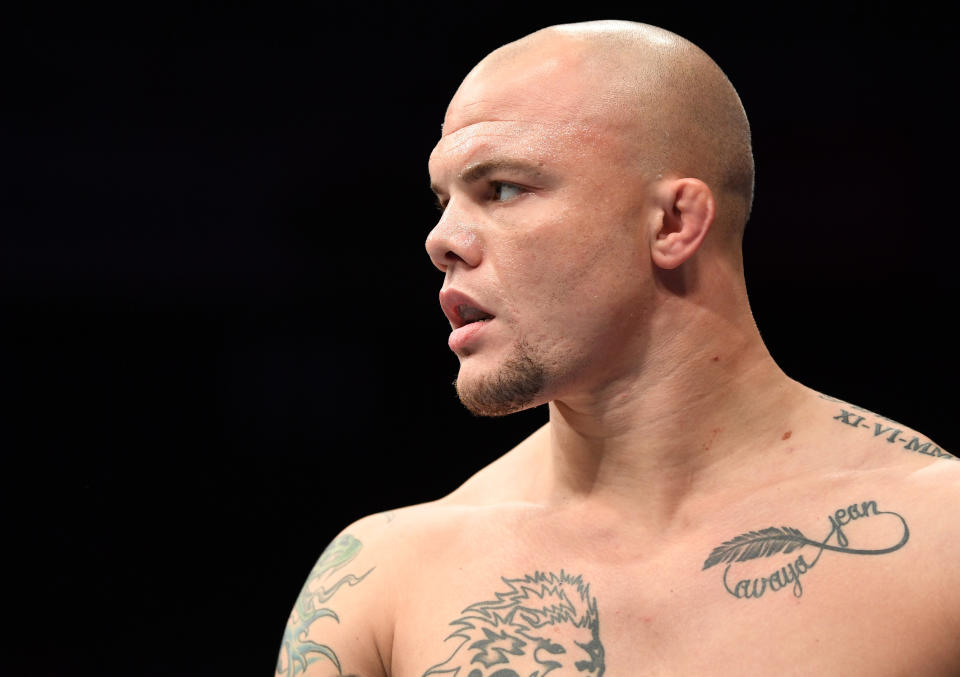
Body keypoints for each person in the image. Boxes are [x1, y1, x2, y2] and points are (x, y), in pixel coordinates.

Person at [275, 20, 960, 677]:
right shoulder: (381, 582)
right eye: (444, 200)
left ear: (673, 222)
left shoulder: (939, 540)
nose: (442, 239)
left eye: (502, 188)